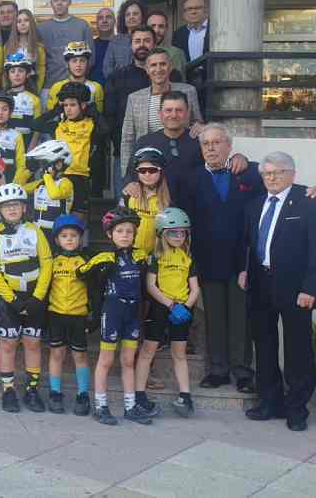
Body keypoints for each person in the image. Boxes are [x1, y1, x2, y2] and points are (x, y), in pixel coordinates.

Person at [243, 152, 316, 432]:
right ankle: (270, 402)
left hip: (296, 289)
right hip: (260, 285)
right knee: (264, 346)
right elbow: (249, 243)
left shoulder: (310, 203)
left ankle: (297, 408)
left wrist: (312, 289)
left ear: (292, 174)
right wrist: (245, 270)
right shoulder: (255, 204)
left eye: (278, 172)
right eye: (267, 173)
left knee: (298, 348)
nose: (272, 178)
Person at [178, 123, 260, 391]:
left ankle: (243, 371)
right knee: (214, 315)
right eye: (206, 144)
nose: (211, 148)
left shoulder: (250, 174)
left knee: (240, 316)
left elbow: (278, 187)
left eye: (216, 143)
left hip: (242, 260)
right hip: (208, 257)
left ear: (229, 146)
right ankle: (218, 370)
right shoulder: (190, 179)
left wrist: (312, 192)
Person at [0, 183, 52, 413]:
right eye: (6, 206)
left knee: (33, 343)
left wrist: (37, 297)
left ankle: (32, 390)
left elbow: (47, 263)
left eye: (16, 205)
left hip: (34, 297)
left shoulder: (35, 231)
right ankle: (8, 390)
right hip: (9, 299)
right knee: (8, 343)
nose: (11, 209)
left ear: (24, 208)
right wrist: (11, 300)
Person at [79, 207, 151, 425]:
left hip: (132, 315)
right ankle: (101, 405)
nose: (125, 235)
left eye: (129, 231)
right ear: (110, 234)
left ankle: (130, 407)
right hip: (111, 314)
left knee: (129, 360)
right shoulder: (104, 257)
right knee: (106, 360)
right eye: (119, 231)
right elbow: (80, 272)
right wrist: (100, 272)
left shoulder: (141, 255)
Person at [134, 208, 200, 418]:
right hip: (160, 308)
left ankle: (185, 395)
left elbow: (196, 288)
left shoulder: (187, 257)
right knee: (147, 351)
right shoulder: (156, 257)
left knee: (179, 353)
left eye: (183, 233)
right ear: (162, 233)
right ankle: (139, 393)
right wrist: (170, 305)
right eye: (174, 232)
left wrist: (186, 307)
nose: (179, 237)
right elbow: (151, 285)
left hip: (182, 311)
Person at [104, 26, 182, 195]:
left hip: (172, 156)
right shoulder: (117, 77)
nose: (142, 45)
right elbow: (111, 118)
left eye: (147, 41)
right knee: (130, 206)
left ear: (154, 43)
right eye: (137, 41)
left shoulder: (174, 79)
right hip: (131, 154)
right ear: (130, 45)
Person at [25, 82, 108, 228]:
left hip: (80, 178)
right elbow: (35, 124)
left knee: (77, 223)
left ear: (82, 105)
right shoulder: (59, 126)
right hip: (60, 176)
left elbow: (106, 131)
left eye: (73, 105)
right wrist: (55, 110)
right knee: (58, 220)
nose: (68, 109)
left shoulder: (91, 125)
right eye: (65, 105)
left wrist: (93, 111)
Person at [33, 214, 91, 416]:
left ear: (80, 238)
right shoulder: (52, 262)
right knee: (56, 353)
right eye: (64, 236)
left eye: (74, 235)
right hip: (55, 314)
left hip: (78, 315)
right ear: (57, 240)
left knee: (80, 355)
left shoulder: (86, 261)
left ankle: (83, 394)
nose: (69, 239)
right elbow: (45, 288)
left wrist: (92, 313)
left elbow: (93, 288)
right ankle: (55, 393)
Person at [119, 48, 201, 175]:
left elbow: (197, 122)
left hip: (181, 161)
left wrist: (199, 126)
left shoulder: (188, 91)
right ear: (146, 69)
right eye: (153, 65)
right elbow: (127, 139)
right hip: (148, 166)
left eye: (163, 64)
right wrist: (127, 174)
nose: (158, 69)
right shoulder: (134, 98)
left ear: (170, 67)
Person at [35, 0, 95, 100]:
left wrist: (79, 80)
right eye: (56, 0)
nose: (59, 3)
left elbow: (90, 59)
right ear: (51, 3)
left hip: (77, 86)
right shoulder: (41, 29)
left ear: (70, 2)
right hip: (48, 87)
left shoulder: (82, 26)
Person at [23, 140, 74, 243]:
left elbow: (54, 194)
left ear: (59, 164)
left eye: (45, 163)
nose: (42, 168)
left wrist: (47, 175)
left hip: (57, 232)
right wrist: (29, 171)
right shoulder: (42, 183)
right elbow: (19, 188)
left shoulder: (66, 183)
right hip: (38, 231)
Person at [122, 148, 170, 256]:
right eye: (142, 171)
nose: (147, 174)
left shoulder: (168, 199)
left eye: (152, 170)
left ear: (161, 171)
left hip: (157, 255)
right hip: (131, 253)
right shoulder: (130, 195)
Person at [46, 42, 104, 113]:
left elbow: (99, 115)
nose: (78, 65)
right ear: (67, 64)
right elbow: (51, 115)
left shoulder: (96, 88)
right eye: (74, 61)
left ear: (88, 63)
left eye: (82, 61)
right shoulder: (57, 87)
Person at [3, 52, 41, 146]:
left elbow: (37, 128)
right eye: (12, 71)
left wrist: (32, 146)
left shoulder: (34, 99)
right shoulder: (1, 97)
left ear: (27, 74)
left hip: (27, 142)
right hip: (5, 143)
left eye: (21, 71)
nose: (17, 74)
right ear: (8, 75)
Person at [102, 0, 147, 78]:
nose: (131, 17)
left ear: (142, 16)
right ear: (123, 18)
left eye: (135, 14)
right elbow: (107, 68)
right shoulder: (115, 41)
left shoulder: (149, 39)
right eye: (128, 14)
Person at [3, 10, 45, 93]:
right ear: (15, 25)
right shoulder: (7, 47)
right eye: (19, 21)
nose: (23, 24)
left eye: (26, 20)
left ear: (31, 23)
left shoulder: (39, 48)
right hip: (12, 88)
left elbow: (41, 71)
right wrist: (5, 88)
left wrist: (38, 90)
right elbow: (4, 71)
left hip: (32, 87)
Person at [147, 10, 187, 75]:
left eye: (161, 26)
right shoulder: (138, 51)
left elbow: (179, 82)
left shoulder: (176, 54)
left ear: (166, 29)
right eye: (152, 26)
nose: (156, 30)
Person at [172, 0, 209, 64]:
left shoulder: (215, 29)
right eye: (189, 9)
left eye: (198, 8)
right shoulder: (178, 34)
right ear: (184, 14)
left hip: (212, 73)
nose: (193, 12)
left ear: (205, 10)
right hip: (188, 74)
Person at [89, 8, 116, 84]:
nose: (104, 20)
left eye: (108, 17)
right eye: (100, 18)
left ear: (115, 21)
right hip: (94, 92)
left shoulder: (123, 45)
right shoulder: (90, 46)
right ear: (96, 23)